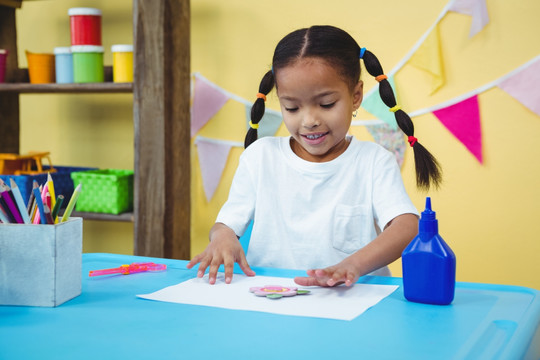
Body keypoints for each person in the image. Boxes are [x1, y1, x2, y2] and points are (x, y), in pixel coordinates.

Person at [187, 25, 442, 287]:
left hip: (351, 303)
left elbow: (407, 226)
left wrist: (352, 265)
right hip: (271, 301)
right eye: (292, 107)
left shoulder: (374, 161)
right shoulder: (259, 158)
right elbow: (225, 224)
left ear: (356, 96)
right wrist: (223, 239)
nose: (309, 121)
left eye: (326, 104)